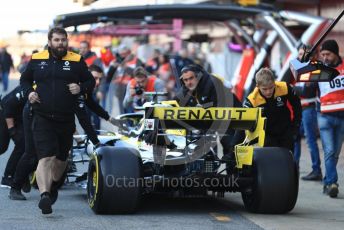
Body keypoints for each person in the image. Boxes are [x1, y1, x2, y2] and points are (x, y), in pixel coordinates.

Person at [20, 27, 95, 214]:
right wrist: (29, 93)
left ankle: (52, 187)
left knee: (61, 160)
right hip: (42, 116)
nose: (60, 43)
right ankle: (44, 195)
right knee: (45, 157)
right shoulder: (37, 59)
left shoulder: (76, 60)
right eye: (56, 40)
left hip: (66, 119)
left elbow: (90, 82)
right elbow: (24, 80)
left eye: (63, 40)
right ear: (49, 41)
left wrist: (80, 88)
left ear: (67, 41)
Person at [174, 64, 243, 164]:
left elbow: (222, 106)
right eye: (186, 80)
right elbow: (173, 105)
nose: (189, 82)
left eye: (191, 78)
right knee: (203, 148)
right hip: (211, 119)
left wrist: (205, 107)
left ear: (197, 76)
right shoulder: (186, 88)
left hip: (231, 117)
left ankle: (234, 175)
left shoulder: (213, 83)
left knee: (230, 149)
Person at [304, 39, 344, 198]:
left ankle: (327, 182)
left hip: (341, 117)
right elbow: (308, 91)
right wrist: (307, 77)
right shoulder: (319, 70)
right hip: (325, 116)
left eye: (328, 54)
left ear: (335, 53)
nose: (325, 57)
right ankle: (333, 182)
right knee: (329, 151)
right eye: (323, 54)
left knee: (335, 154)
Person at [244, 67, 301, 152]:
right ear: (257, 86)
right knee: (272, 162)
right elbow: (244, 124)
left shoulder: (284, 87)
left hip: (286, 132)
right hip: (267, 136)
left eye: (271, 87)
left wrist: (295, 126)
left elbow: (297, 105)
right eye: (264, 89)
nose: (268, 92)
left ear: (274, 83)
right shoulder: (252, 100)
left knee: (289, 162)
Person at [293, 46, 321, 180]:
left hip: (309, 109)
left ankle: (316, 170)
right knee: (296, 137)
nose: (299, 56)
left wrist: (293, 88)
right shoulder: (300, 69)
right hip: (301, 109)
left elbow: (306, 91)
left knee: (310, 140)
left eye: (301, 54)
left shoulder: (314, 69)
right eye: (298, 53)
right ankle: (294, 166)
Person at [0, 86, 26, 188]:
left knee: (23, 144)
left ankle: (13, 175)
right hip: (6, 113)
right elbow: (8, 106)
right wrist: (11, 130)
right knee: (2, 147)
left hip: (20, 117)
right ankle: (7, 178)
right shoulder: (28, 88)